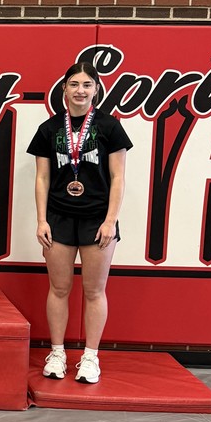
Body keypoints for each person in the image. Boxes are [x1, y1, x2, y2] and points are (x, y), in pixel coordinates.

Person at [27, 61, 132, 384]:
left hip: (97, 219)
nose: (80, 90)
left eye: (87, 84)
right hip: (58, 218)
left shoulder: (110, 127)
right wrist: (42, 220)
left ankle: (90, 357)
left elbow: (118, 177)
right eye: (74, 84)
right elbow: (42, 179)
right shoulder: (49, 129)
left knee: (94, 290)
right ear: (64, 90)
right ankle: (57, 352)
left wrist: (110, 220)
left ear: (96, 90)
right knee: (58, 288)